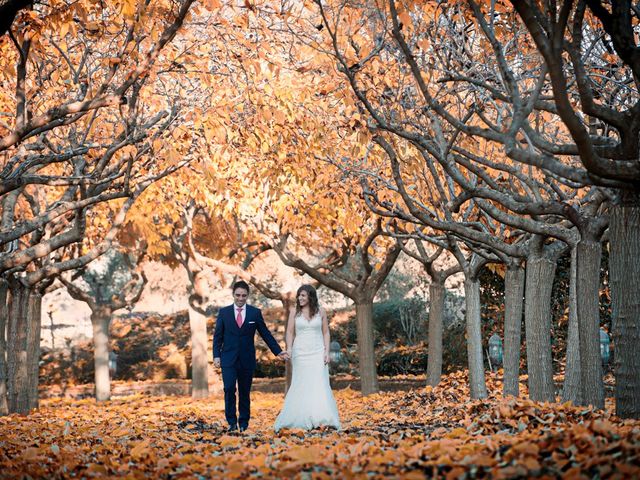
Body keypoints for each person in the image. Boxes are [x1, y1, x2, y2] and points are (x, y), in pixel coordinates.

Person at [213, 280, 288, 432]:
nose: (241, 298)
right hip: (228, 359)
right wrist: (216, 356)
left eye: (244, 296)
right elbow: (217, 336)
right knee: (228, 389)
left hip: (247, 359)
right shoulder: (224, 313)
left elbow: (265, 333)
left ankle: (244, 423)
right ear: (233, 294)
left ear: (248, 296)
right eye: (238, 295)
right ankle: (231, 422)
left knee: (244, 392)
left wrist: (278, 351)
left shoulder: (255, 313)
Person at [274, 284, 341, 432]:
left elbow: (326, 333)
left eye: (303, 295)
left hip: (318, 352)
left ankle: (321, 417)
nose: (300, 298)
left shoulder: (321, 312)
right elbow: (290, 332)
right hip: (300, 353)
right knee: (301, 383)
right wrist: (290, 349)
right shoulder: (294, 312)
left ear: (311, 296)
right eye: (299, 295)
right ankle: (298, 417)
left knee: (319, 383)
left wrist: (326, 351)